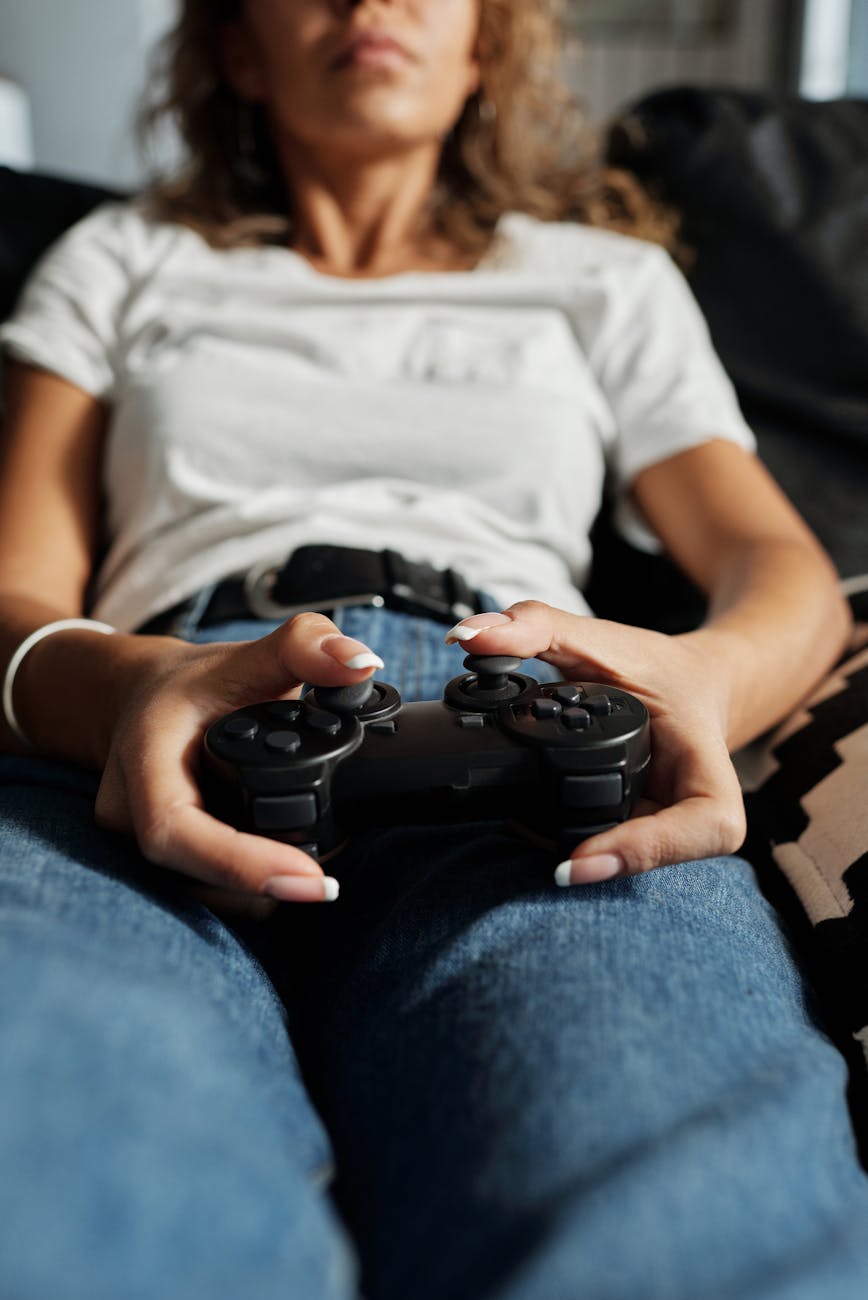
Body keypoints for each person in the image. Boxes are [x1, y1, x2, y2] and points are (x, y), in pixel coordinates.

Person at [1, 1, 867, 1297]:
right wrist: (126, 688)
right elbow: (14, 590)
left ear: (486, 45)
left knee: (662, 1164)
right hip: (156, 719)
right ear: (237, 48)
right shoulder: (125, 255)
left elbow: (782, 570)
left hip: (521, 723)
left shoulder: (601, 278)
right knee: (66, 1133)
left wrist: (703, 679)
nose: (370, 0)